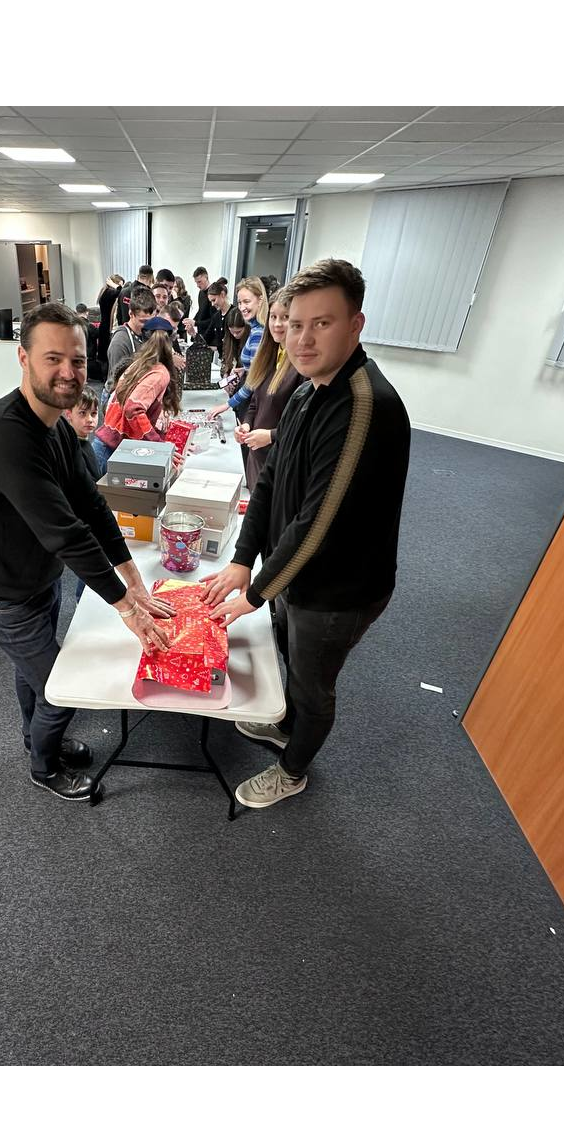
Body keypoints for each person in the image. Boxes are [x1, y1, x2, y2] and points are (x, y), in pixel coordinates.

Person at [202, 259, 411, 810]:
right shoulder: (308, 389)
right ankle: (286, 725)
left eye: (322, 323)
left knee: (312, 685)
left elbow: (319, 524)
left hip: (339, 589)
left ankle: (293, 770)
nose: (303, 338)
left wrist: (254, 592)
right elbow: (270, 481)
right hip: (297, 572)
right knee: (291, 663)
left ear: (355, 325)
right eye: (295, 324)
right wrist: (243, 558)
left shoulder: (363, 405)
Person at [0, 302, 174, 802]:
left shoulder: (55, 425)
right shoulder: (5, 435)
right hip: (4, 594)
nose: (68, 372)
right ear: (23, 358)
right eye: (52, 359)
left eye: (76, 360)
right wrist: (127, 608)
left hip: (39, 578)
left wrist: (134, 581)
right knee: (60, 686)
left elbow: (91, 505)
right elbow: (67, 534)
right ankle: (44, 766)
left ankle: (35, 739)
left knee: (33, 675)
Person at [91, 321, 183, 475]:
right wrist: (158, 445)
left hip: (105, 445)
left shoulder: (138, 365)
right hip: (113, 452)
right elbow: (133, 408)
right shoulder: (160, 373)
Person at [235, 288, 299, 491]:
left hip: (280, 462)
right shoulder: (268, 356)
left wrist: (271, 436)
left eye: (285, 317)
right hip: (257, 457)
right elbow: (255, 402)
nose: (277, 324)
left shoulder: (301, 366)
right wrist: (246, 425)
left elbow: (301, 426)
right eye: (273, 317)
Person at [207, 277, 268, 421]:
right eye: (240, 302)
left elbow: (254, 381)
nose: (242, 307)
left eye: (247, 301)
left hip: (254, 404)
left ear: (260, 300)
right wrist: (244, 371)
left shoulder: (258, 333)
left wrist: (227, 404)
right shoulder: (256, 329)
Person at [64, 384, 101, 599]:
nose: (90, 419)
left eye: (94, 414)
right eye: (83, 413)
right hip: (81, 518)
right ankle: (80, 600)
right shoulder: (72, 447)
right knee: (89, 563)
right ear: (68, 414)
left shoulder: (86, 444)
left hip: (88, 514)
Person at [105, 285, 155, 400]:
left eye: (149, 321)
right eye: (142, 321)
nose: (147, 325)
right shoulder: (120, 342)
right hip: (119, 396)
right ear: (131, 314)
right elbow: (117, 384)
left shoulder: (146, 334)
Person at [96, 273, 125, 373]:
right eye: (120, 284)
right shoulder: (110, 293)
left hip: (104, 326)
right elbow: (122, 292)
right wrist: (116, 286)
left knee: (105, 358)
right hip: (108, 328)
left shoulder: (105, 292)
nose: (122, 286)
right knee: (108, 358)